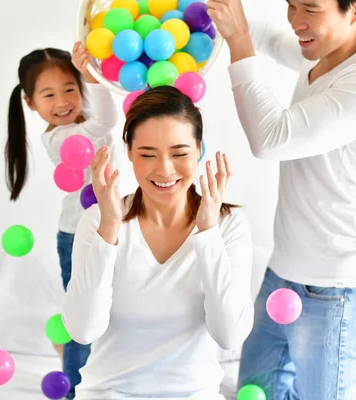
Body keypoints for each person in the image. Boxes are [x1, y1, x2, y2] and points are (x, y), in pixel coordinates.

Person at [206, 0, 356, 398]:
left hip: (335, 288)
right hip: (283, 272)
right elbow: (260, 31)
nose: (296, 22)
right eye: (290, 5)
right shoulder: (320, 50)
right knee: (256, 395)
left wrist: (238, 39)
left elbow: (271, 138)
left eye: (309, 8)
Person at [61, 86, 254, 399]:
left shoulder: (228, 225)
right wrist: (109, 228)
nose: (165, 169)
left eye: (179, 154)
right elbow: (82, 331)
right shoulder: (99, 221)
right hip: (109, 392)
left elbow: (229, 335)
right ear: (128, 151)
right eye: (147, 154)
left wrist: (207, 233)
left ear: (199, 150)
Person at [5, 42, 117, 399]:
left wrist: (94, 74)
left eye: (70, 88)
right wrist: (89, 76)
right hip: (79, 237)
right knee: (84, 322)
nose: (62, 101)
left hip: (111, 229)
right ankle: (72, 391)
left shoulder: (85, 116)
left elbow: (104, 111)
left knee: (109, 318)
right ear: (30, 103)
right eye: (48, 94)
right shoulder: (61, 138)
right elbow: (108, 120)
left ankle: (99, 380)